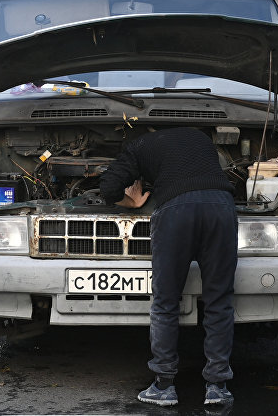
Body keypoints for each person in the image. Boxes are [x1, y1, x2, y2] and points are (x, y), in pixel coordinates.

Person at [99, 127, 238, 407]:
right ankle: (217, 387)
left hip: (176, 211)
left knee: (165, 301)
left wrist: (134, 200)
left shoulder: (137, 147)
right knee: (219, 301)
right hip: (221, 207)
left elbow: (108, 188)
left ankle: (163, 386)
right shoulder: (199, 137)